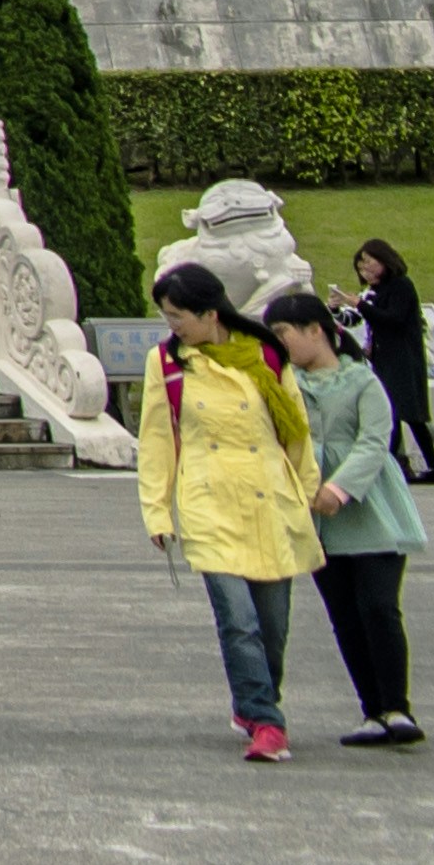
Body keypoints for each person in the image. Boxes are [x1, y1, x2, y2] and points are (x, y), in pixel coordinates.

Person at [138, 262, 322, 764]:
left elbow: (295, 427)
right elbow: (157, 439)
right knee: (238, 621)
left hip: (269, 500)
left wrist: (308, 490)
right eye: (166, 316)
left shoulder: (264, 353)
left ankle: (254, 700)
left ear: (210, 313)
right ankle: (266, 720)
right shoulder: (168, 363)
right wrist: (158, 510)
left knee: (272, 626)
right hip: (208, 501)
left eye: (179, 316)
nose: (172, 325)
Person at [272, 293, 425, 749]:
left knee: (378, 607)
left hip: (369, 511)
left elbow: (375, 441)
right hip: (316, 519)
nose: (280, 343)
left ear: (315, 330)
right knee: (345, 616)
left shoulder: (362, 381)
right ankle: (372, 711)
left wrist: (338, 489)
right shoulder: (284, 383)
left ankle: (397, 707)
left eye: (284, 333)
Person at [347, 238, 434, 486]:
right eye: (361, 267)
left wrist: (361, 306)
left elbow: (395, 320)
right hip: (386, 358)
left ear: (385, 260)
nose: (364, 271)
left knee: (407, 412)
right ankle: (421, 464)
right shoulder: (379, 292)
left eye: (369, 263)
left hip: (403, 359)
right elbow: (378, 323)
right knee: (402, 413)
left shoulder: (401, 286)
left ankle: (422, 464)